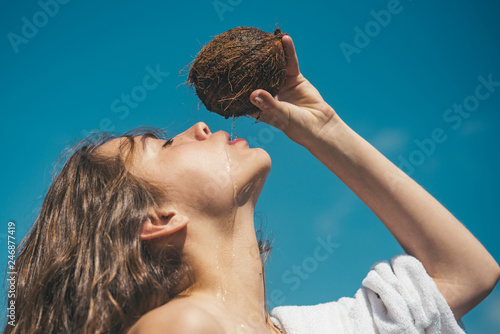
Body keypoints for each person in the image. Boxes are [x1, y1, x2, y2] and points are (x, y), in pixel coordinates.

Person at [5, 35, 499, 334]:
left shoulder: (322, 326)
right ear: (157, 220)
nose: (196, 128)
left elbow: (466, 273)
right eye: (163, 146)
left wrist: (325, 130)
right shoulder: (182, 326)